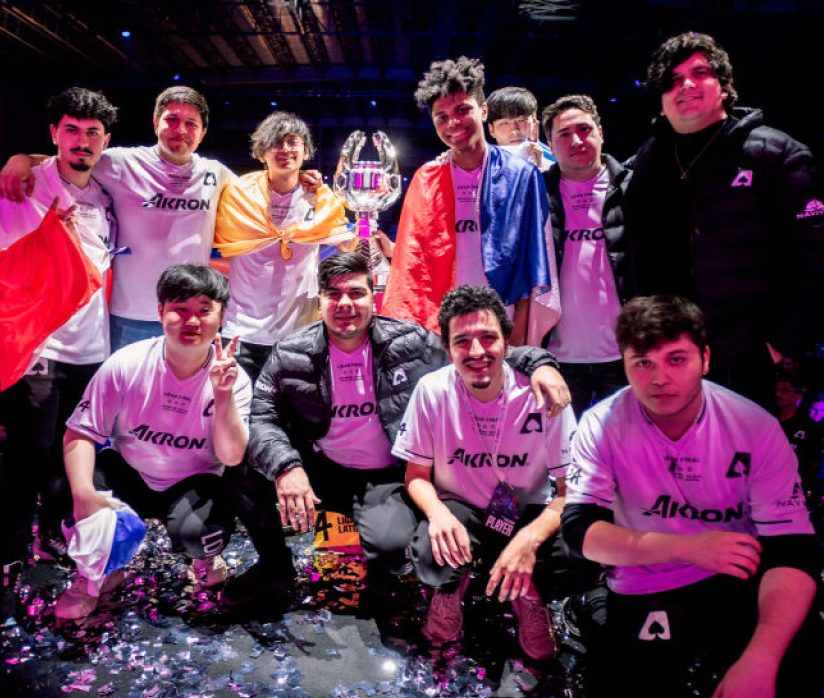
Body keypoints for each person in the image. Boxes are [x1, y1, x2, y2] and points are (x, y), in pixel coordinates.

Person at [227, 255, 571, 611]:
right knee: (242, 471)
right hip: (319, 467)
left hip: (383, 476)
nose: (345, 304)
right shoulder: (291, 352)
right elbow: (262, 415)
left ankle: (384, 582)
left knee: (391, 546)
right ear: (320, 302)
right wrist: (286, 466)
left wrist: (539, 363)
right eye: (334, 294)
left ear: (373, 298)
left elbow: (474, 352)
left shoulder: (410, 342)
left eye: (356, 293)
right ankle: (275, 567)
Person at [562, 295, 824, 698]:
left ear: (705, 359)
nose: (659, 378)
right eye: (643, 362)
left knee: (806, 659)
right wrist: (686, 547)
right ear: (624, 364)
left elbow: (794, 551)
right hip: (644, 578)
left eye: (676, 359)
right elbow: (580, 533)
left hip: (735, 573)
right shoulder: (601, 424)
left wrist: (762, 660)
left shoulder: (755, 428)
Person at [610, 32, 824, 402]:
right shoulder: (647, 159)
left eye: (699, 73)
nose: (686, 85)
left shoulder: (775, 154)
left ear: (725, 85)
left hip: (739, 359)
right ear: (661, 99)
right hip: (659, 353)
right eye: (672, 80)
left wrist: (778, 345)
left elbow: (823, 261)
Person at [0, 86, 321, 350]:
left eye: (191, 123)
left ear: (203, 132)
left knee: (185, 405)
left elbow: (265, 189)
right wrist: (21, 160)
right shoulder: (121, 163)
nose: (181, 130)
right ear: (156, 123)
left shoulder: (217, 174)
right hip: (130, 317)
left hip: (192, 316)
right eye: (172, 120)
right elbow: (69, 160)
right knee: (128, 406)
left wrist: (300, 177)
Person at [0, 87, 119, 627]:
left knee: (73, 455)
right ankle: (5, 567)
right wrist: (22, 162)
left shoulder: (105, 193)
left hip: (93, 349)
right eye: (71, 130)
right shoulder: (27, 184)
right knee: (26, 458)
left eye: (92, 133)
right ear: (54, 134)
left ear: (105, 140)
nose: (82, 141)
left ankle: (51, 534)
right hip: (41, 346)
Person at [54, 264, 250, 620]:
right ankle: (97, 573)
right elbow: (80, 432)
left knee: (199, 534)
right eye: (180, 309)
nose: (192, 320)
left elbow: (232, 455)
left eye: (204, 310)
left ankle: (205, 558)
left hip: (194, 481)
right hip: (131, 471)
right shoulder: (126, 364)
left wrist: (223, 395)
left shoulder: (234, 377)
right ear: (160, 312)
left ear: (222, 316)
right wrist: (84, 497)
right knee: (70, 495)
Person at [393, 285, 578, 661]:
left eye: (488, 337)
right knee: (432, 544)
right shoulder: (431, 391)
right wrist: (438, 513)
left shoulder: (542, 393)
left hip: (525, 509)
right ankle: (449, 592)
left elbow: (569, 490)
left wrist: (529, 539)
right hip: (462, 509)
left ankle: (530, 595)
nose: (476, 351)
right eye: (462, 341)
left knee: (574, 545)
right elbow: (416, 476)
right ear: (448, 351)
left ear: (507, 344)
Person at [382, 57, 558, 346]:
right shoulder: (426, 179)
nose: (453, 123)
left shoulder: (521, 175)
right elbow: (412, 268)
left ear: (483, 110)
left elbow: (531, 265)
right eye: (442, 117)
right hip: (441, 330)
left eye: (463, 110)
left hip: (503, 325)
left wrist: (517, 344)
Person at [213, 111, 356, 380]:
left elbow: (351, 248)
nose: (285, 149)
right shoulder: (237, 194)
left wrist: (369, 220)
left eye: (293, 142)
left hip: (299, 334)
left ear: (305, 151)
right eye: (276, 143)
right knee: (238, 405)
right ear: (261, 152)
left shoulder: (319, 197)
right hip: (242, 332)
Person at [540, 94, 628, 414]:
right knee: (561, 446)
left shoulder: (633, 188)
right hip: (558, 359)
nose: (576, 140)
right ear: (550, 144)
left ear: (600, 133)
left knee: (627, 444)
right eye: (564, 134)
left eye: (584, 129)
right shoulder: (535, 194)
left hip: (625, 354)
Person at [485, 86, 554, 171]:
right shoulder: (481, 166)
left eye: (522, 121)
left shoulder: (559, 162)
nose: (515, 130)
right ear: (491, 130)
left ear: (534, 123)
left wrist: (540, 171)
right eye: (505, 123)